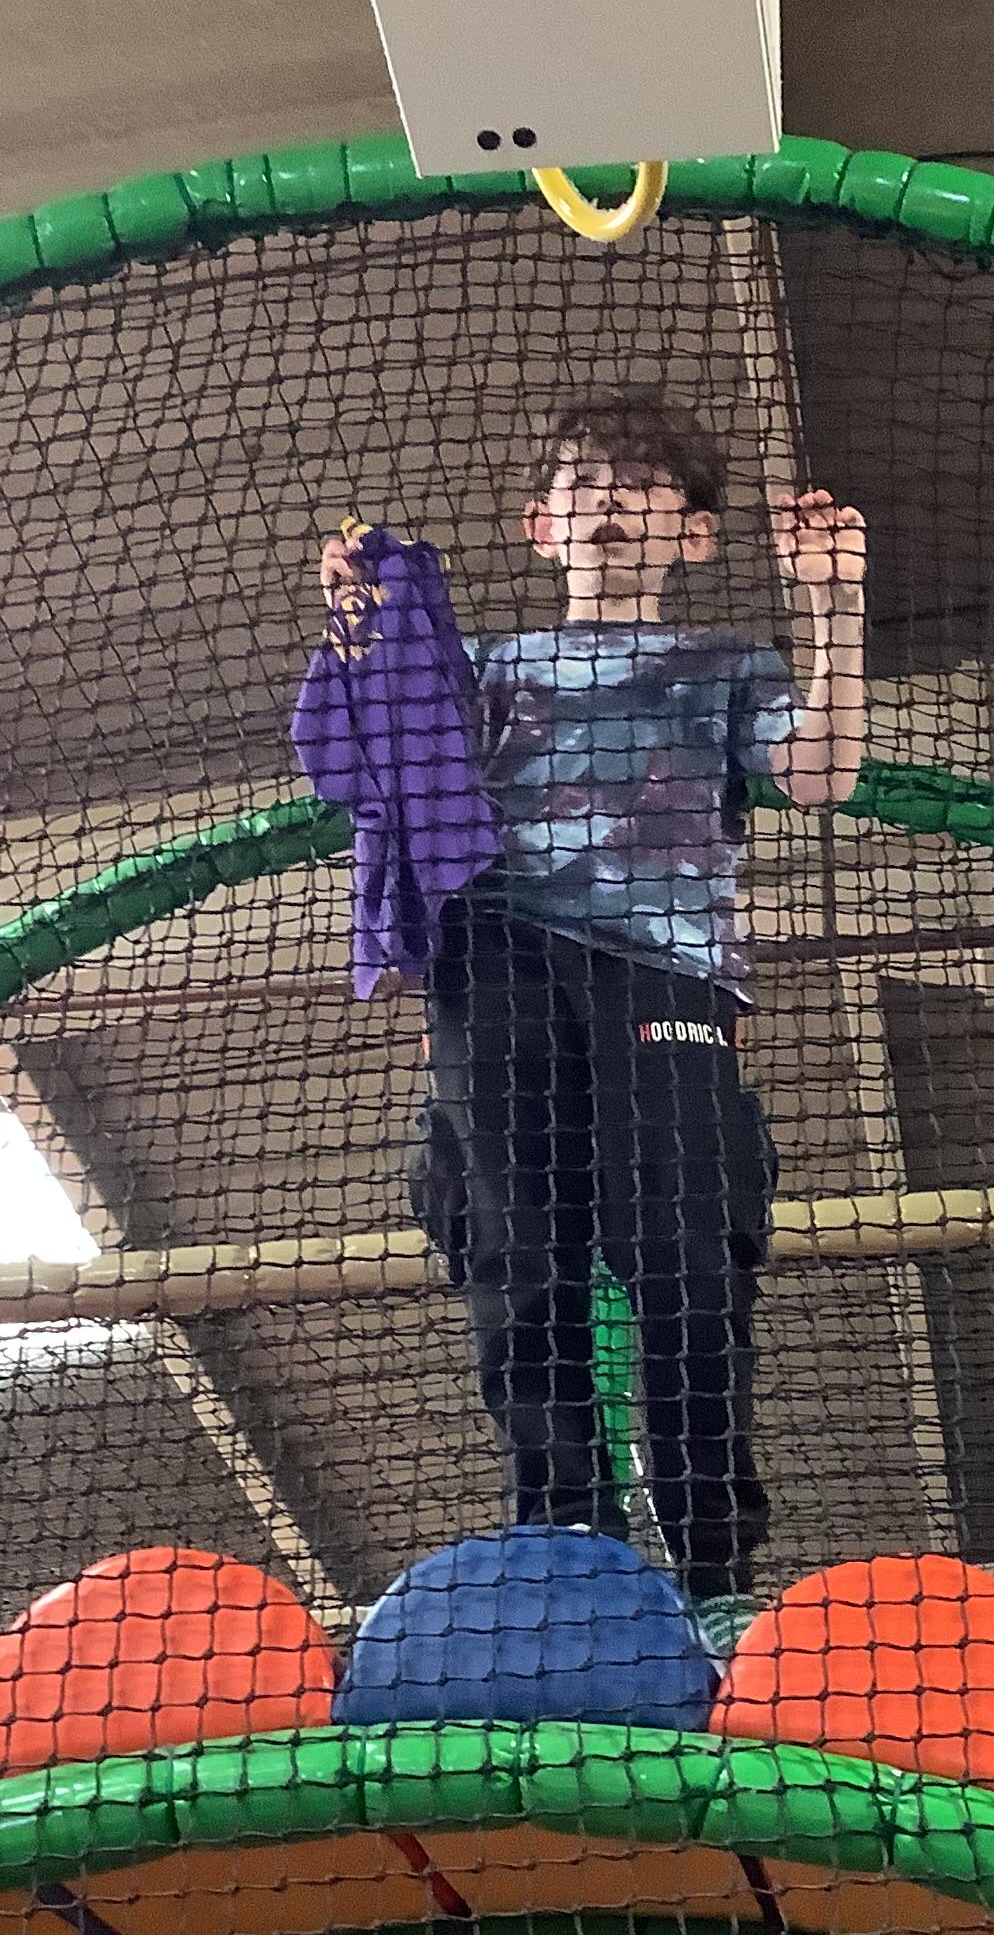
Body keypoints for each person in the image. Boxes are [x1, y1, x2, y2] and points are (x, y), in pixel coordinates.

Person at [299, 392, 867, 1616]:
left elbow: (821, 775)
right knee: (520, 1256)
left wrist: (835, 606)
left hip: (664, 976)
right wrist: (359, 629)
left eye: (643, 481)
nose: (608, 497)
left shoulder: (727, 665)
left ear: (695, 534)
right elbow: (372, 763)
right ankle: (565, 1552)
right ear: (540, 526)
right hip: (497, 962)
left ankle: (712, 1567)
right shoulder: (486, 670)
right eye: (582, 481)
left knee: (687, 1261)